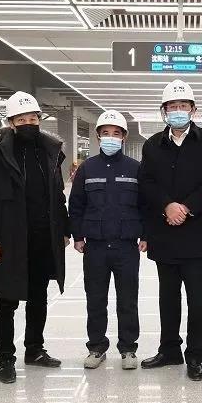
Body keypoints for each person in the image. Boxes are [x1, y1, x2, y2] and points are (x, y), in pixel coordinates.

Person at [0, 91, 70, 384]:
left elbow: (58, 195)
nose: (28, 123)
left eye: (33, 118)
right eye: (21, 119)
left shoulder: (50, 152)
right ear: (10, 123)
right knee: (6, 301)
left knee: (38, 298)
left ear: (39, 119)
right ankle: (6, 359)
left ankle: (35, 350)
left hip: (42, 238)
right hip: (9, 240)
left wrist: (64, 230)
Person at [137, 79, 202, 382]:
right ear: (164, 111)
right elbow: (146, 183)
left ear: (193, 109)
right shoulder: (152, 145)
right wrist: (167, 206)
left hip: (196, 233)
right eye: (172, 106)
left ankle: (195, 356)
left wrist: (186, 208)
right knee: (168, 298)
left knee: (197, 300)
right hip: (164, 233)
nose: (178, 110)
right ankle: (169, 350)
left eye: (183, 106)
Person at [68, 110, 144, 371]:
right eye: (106, 133)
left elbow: (145, 205)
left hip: (126, 245)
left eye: (116, 133)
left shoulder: (135, 168)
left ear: (124, 137)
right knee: (96, 299)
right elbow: (76, 205)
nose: (111, 137)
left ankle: (128, 348)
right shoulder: (87, 168)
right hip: (96, 246)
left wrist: (146, 235)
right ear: (98, 136)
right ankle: (96, 347)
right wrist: (78, 236)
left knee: (128, 300)